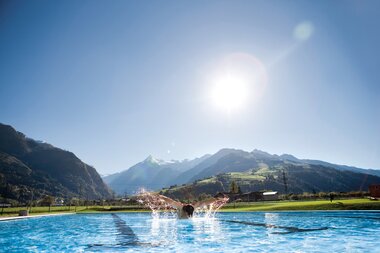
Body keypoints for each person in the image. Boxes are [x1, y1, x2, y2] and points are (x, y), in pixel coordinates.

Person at [138, 193, 229, 219]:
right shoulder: (183, 206)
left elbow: (205, 202)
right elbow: (205, 202)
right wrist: (159, 196)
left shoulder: (186, 207)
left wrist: (216, 198)